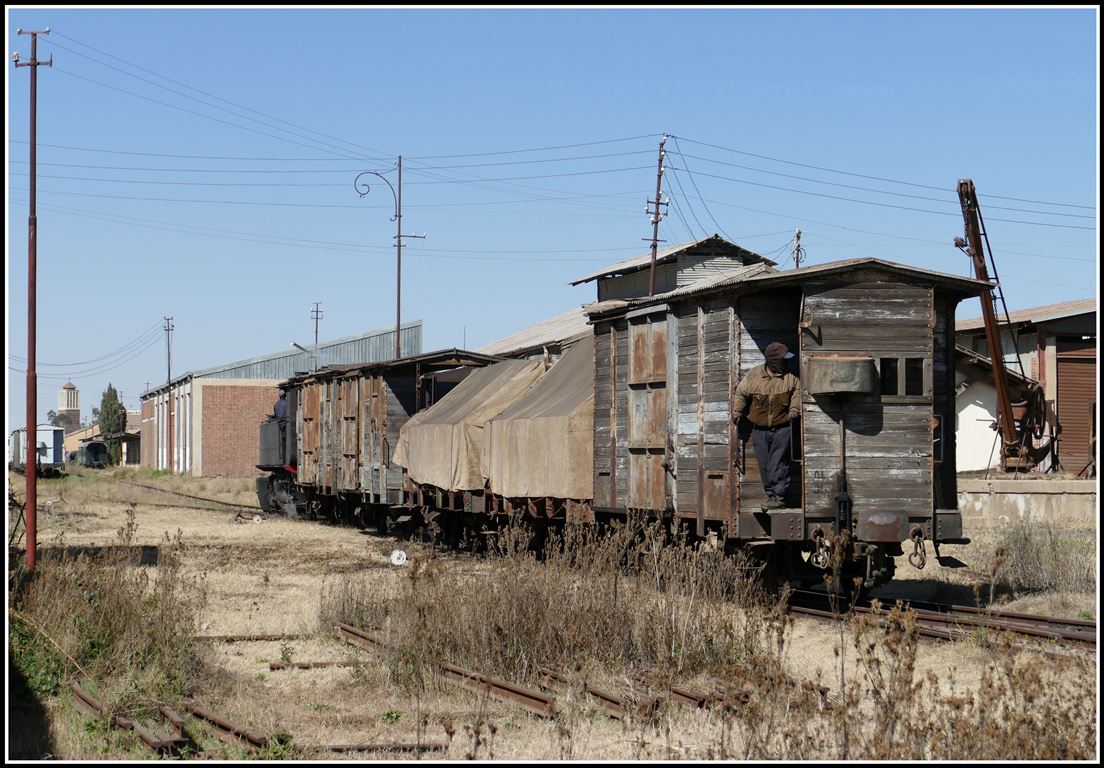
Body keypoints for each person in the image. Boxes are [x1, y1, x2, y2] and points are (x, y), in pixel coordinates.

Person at [733, 341, 801, 511]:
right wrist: (737, 412)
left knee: (778, 462)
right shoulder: (754, 377)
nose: (786, 362)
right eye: (783, 359)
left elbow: (797, 392)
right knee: (764, 464)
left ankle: (779, 496)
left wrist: (794, 408)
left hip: (782, 428)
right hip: (759, 429)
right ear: (774, 361)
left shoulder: (790, 378)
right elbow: (741, 393)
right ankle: (772, 496)